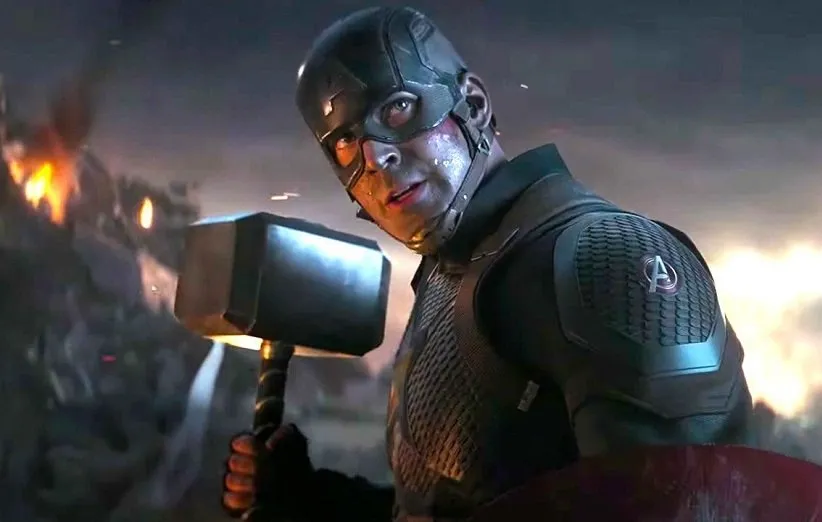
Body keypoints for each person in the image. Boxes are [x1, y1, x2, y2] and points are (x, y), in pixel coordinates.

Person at [222, 6, 755, 522]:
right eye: (345, 143)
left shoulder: (604, 257)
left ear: (472, 104)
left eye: (397, 109)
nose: (376, 156)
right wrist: (312, 498)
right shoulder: (453, 272)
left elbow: (687, 507)